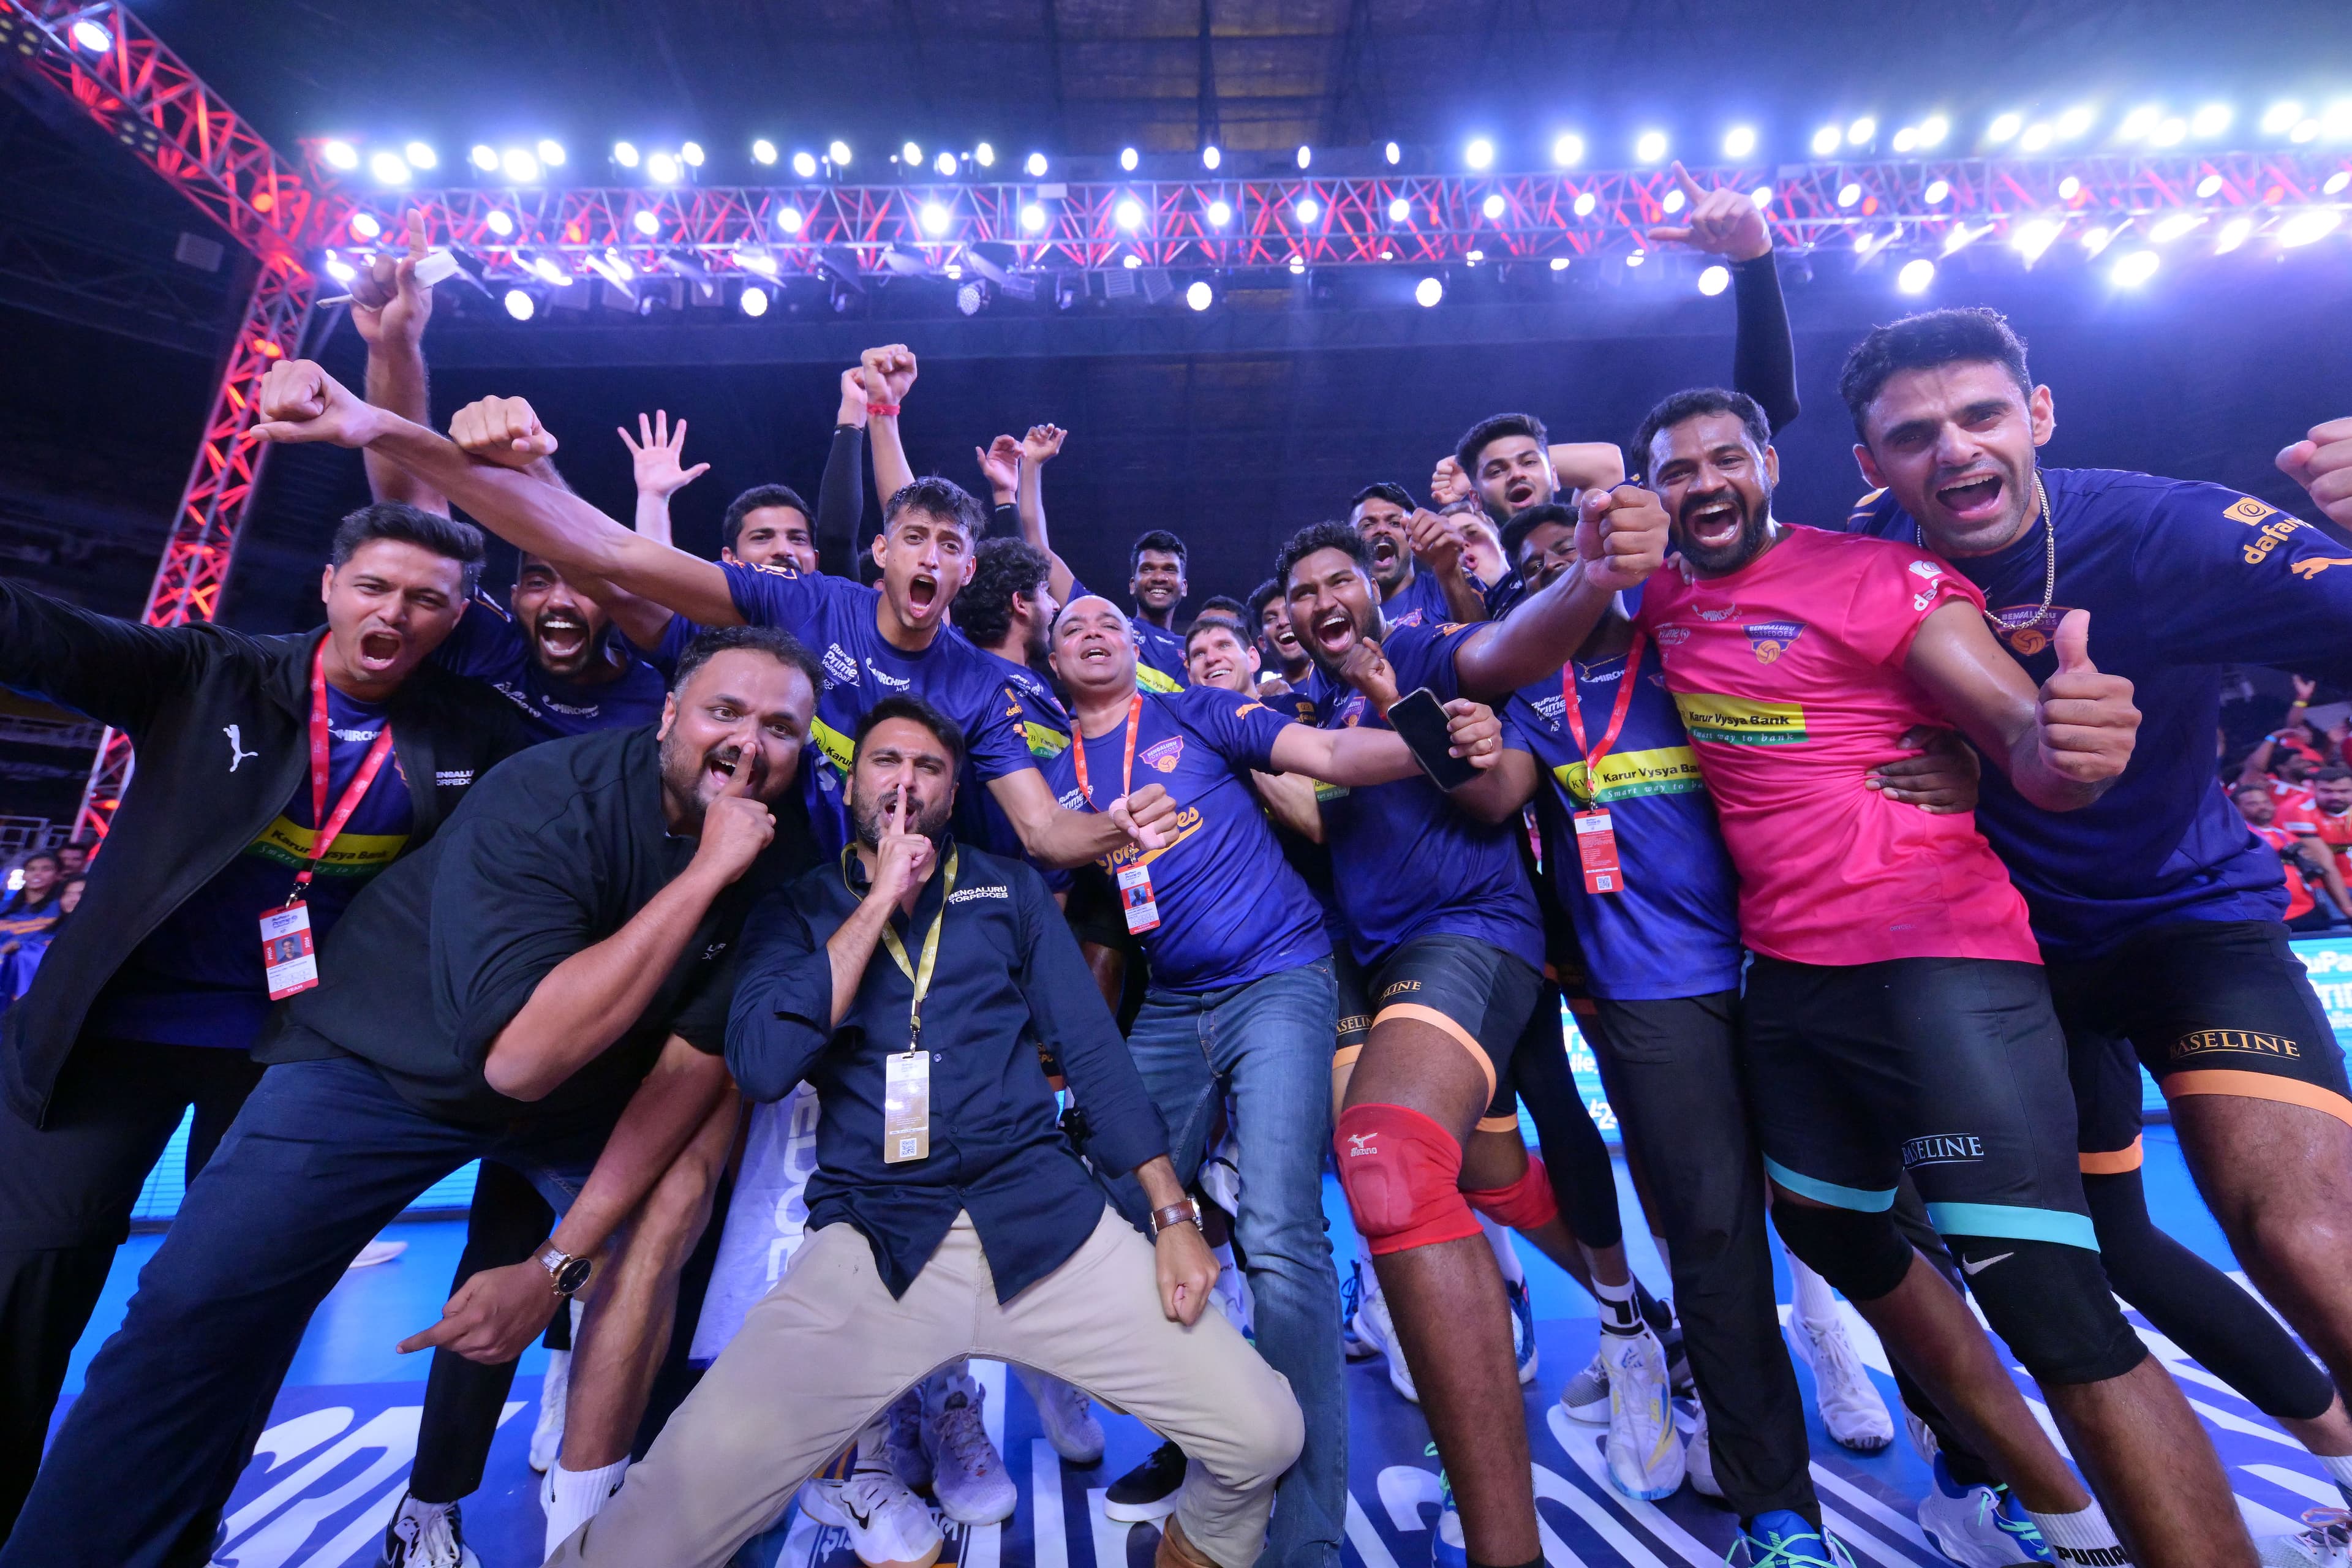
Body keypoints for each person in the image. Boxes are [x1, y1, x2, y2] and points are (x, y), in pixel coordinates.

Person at [1628, 382, 2252, 1564]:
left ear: (1770, 464)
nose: (1704, 482)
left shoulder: (1878, 578)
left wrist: (2059, 750)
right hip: (1788, 984)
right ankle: (2053, 1510)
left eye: (1727, 458)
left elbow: (2022, 736)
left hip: (1942, 968)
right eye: (1677, 469)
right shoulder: (1659, 598)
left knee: (2054, 1310)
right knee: (1834, 1233)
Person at [543, 697, 1303, 1568]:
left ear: (953, 791)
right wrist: (878, 903)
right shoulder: (797, 908)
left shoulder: (1008, 888)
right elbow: (762, 1065)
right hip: (876, 1242)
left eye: (929, 767)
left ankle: (1195, 1549)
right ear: (851, 784)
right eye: (886, 762)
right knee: (647, 1538)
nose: (905, 781)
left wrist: (1170, 1215)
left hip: (1044, 1226)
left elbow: (1093, 1054)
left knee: (1264, 1434)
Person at [1838, 310, 2352, 1545]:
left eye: (1982, 415)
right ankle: (2320, 1448)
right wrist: (1962, 765)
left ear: (2039, 414)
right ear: (1872, 465)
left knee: (2298, 1231)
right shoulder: (1860, 562)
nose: (1955, 450)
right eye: (1913, 435)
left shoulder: (2169, 528)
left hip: (2186, 924)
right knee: (2080, 1256)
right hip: (2006, 963)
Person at [1482, 500, 2021, 1559]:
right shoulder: (1525, 698)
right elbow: (1490, 793)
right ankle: (1775, 1515)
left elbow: (1858, 705)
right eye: (1539, 571)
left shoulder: (1697, 642)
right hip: (1650, 995)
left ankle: (1977, 1470)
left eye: (1577, 555)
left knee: (1888, 1223)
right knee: (1712, 1240)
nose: (1566, 575)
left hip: (1794, 957)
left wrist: (1962, 757)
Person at [0, 503, 526, 1544]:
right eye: (374, 587)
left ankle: (165, 1541)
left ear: (459, 616)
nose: (395, 613)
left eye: (426, 600)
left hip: (293, 1056)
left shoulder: (474, 733)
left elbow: (599, 781)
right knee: (28, 1281)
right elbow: (46, 637)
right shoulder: (209, 673)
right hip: (110, 1036)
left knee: (231, 1320)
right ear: (329, 586)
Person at [249, 362, 1174, 877]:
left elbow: (1045, 832)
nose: (930, 559)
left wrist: (1116, 825)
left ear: (968, 569)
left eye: (950, 548)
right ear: (880, 553)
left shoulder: (976, 682)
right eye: (914, 539)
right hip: (766, 884)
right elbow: (610, 558)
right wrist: (381, 428)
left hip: (906, 900)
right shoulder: (809, 602)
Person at [1047, 593, 1504, 1568]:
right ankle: (1227, 1429)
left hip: (1281, 980)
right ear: (1052, 663)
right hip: (1172, 1003)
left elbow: (1332, 754)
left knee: (1280, 1234)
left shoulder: (1197, 711)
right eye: (1071, 627)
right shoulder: (1053, 775)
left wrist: (1437, 743)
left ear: (1136, 648)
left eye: (1108, 623)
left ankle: (1307, 1538)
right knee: (1104, 1208)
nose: (1092, 632)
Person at [1272, 497, 1666, 1568]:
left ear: (1373, 590)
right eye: (1302, 594)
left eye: (1339, 581)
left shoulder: (1423, 649)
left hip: (1471, 933)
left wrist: (1588, 577)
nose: (1322, 601)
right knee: (1486, 1175)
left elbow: (1504, 701)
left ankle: (1504, 1540)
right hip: (1376, 961)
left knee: (1387, 1158)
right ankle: (1636, 1320)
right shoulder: (1306, 715)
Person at [1347, 484, 1487, 627]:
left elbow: (1485, 635)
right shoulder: (1345, 616)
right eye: (1367, 525)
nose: (1382, 529)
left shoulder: (1445, 587)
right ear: (1350, 543)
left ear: (1415, 535)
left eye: (1395, 523)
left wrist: (1450, 573)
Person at [2234, 782, 2343, 932]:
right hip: (2270, 914)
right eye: (2253, 804)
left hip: (2306, 909)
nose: (2263, 807)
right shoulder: (2236, 837)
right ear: (2236, 808)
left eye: (2266, 802)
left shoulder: (2284, 835)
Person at [1127, 529, 1194, 684]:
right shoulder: (1114, 629)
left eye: (1169, 569)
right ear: (1133, 585)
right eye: (1148, 569)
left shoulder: (1195, 651)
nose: (1159, 577)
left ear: (1184, 587)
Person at [1246, 579, 1315, 704]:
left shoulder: (1341, 679)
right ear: (1263, 643)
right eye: (1271, 619)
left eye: (1290, 613)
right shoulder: (1261, 701)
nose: (1283, 622)